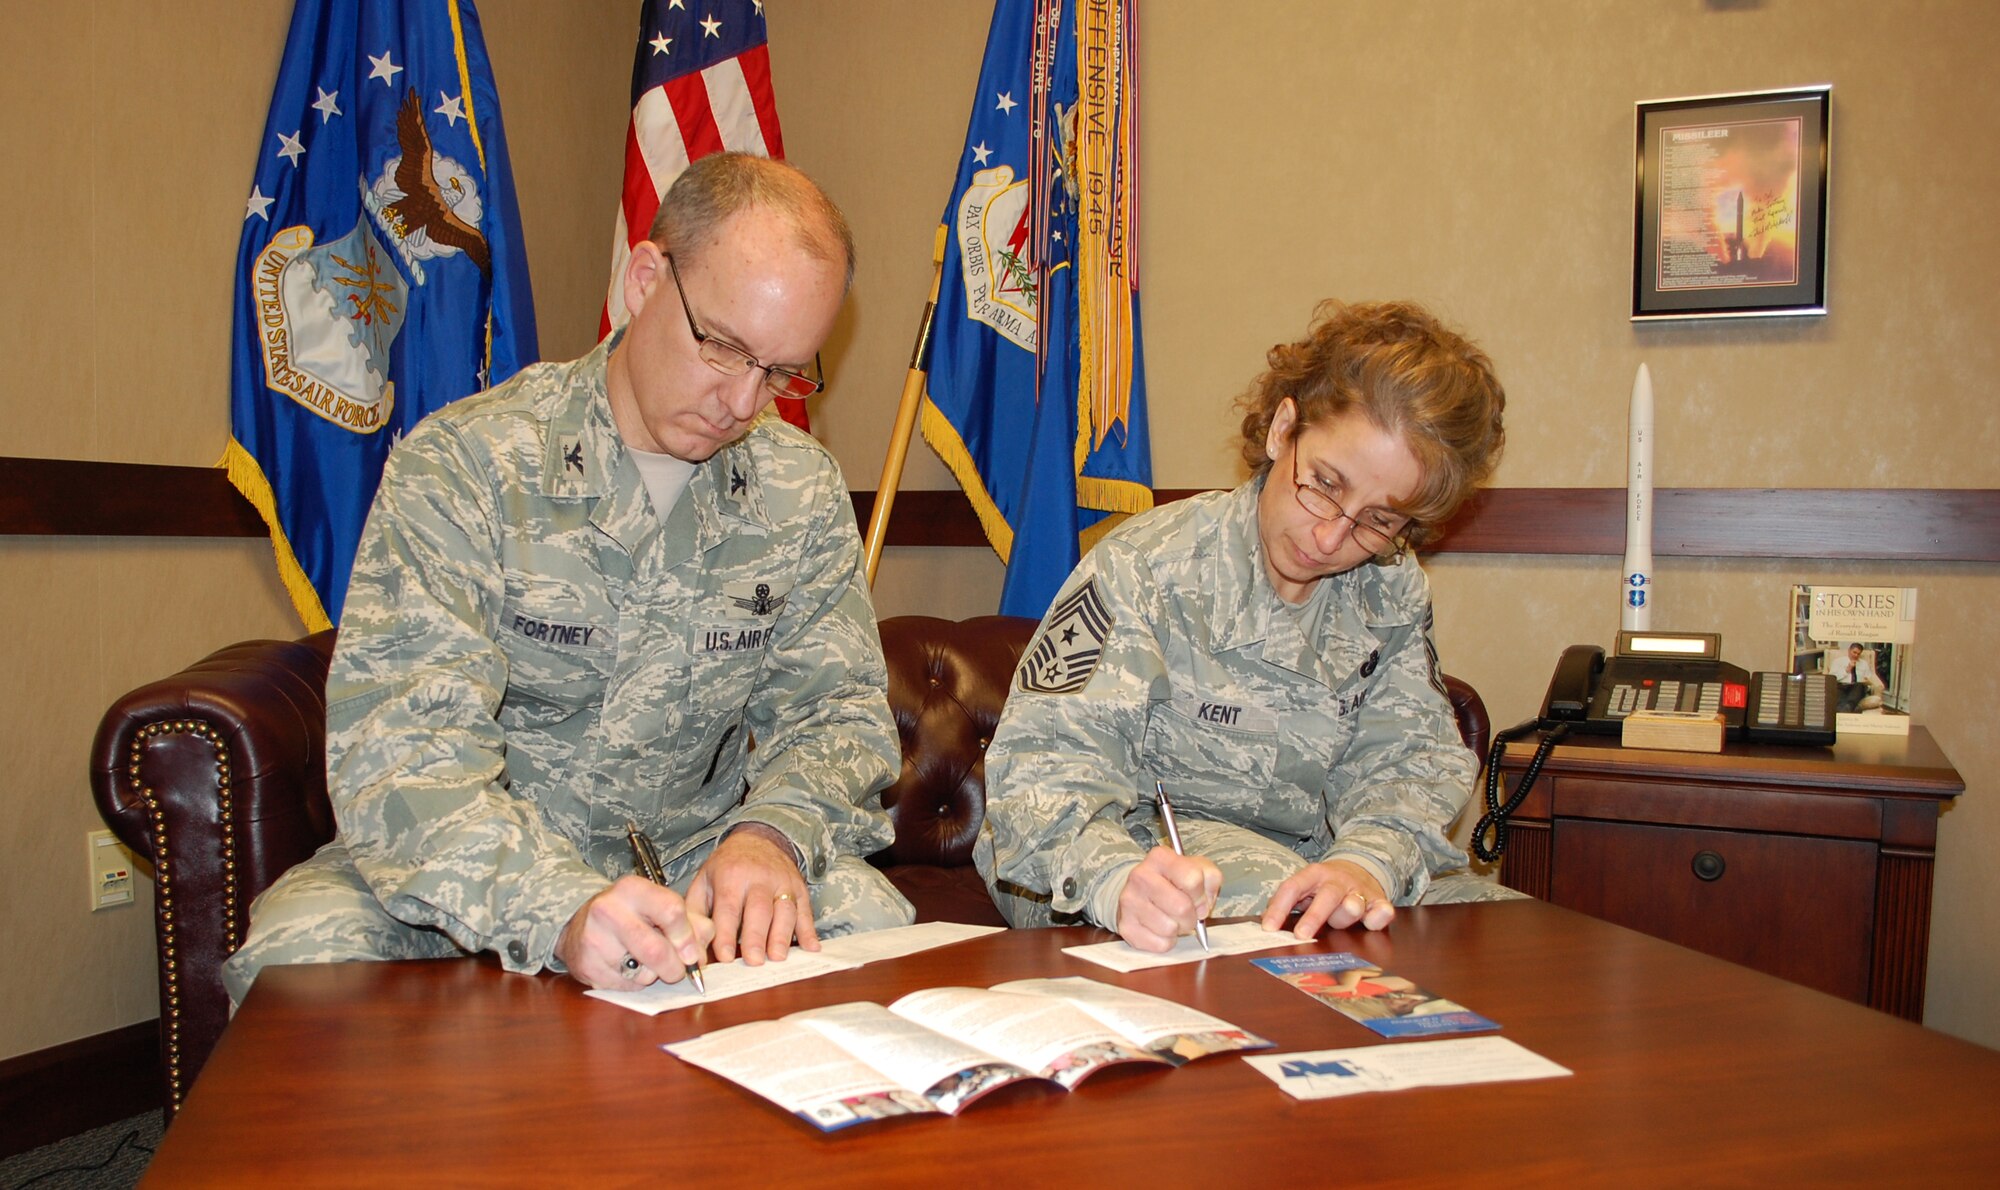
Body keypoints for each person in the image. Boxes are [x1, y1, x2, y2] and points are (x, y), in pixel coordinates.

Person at [222, 153, 912, 1004]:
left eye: (779, 373)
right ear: (645, 277)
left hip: (696, 867)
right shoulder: (467, 465)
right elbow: (407, 757)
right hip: (482, 867)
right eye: (724, 347)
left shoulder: (798, 491)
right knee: (300, 966)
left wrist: (771, 837)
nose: (742, 402)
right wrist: (560, 908)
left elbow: (834, 715)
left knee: (874, 931)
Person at [974, 299, 1521, 952]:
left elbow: (1406, 762)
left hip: (1304, 856)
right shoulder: (1147, 566)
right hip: (1122, 856)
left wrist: (1367, 863)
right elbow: (1044, 770)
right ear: (1282, 429)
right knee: (1275, 901)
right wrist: (1114, 878)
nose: (1329, 536)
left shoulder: (1389, 585)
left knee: (1501, 929)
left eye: (1379, 520)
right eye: (1323, 483)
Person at [1830, 642, 1886, 712]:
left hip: (1857, 686)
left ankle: (1846, 709)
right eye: (1854, 652)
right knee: (1841, 700)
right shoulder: (1838, 661)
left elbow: (1869, 677)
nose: (1856, 655)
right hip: (1841, 685)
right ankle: (1849, 710)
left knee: (1857, 688)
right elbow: (1832, 678)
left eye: (1858, 654)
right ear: (1849, 650)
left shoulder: (1864, 664)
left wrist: (1868, 682)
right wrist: (1847, 670)